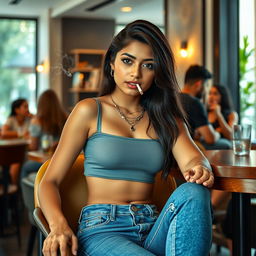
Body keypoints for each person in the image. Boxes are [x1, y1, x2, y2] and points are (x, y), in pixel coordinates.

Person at [39, 20, 214, 256]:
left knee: (195, 191)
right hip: (102, 229)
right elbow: (49, 182)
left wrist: (200, 167)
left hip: (153, 226)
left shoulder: (166, 118)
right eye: (127, 60)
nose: (136, 73)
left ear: (157, 72)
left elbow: (194, 160)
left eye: (148, 65)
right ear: (112, 63)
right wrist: (58, 225)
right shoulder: (89, 111)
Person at [180, 65, 232, 150]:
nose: (206, 91)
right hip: (187, 148)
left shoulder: (171, 99)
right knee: (226, 144)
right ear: (199, 84)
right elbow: (210, 139)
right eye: (206, 85)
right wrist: (218, 133)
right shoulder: (194, 103)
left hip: (172, 147)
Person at [20, 89, 67, 180]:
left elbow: (33, 147)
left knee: (25, 167)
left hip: (45, 162)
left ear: (41, 105)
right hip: (62, 160)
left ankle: (27, 193)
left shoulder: (37, 121)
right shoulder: (66, 117)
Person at [207, 84, 238, 209]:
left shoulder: (231, 114)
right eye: (210, 93)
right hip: (208, 153)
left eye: (215, 93)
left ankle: (211, 207)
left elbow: (231, 135)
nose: (211, 96)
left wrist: (219, 115)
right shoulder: (204, 112)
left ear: (222, 96)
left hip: (224, 157)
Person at [1, 98, 32, 184]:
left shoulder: (30, 120)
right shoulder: (11, 120)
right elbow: (3, 133)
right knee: (16, 164)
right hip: (12, 151)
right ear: (17, 110)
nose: (27, 109)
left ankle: (20, 190)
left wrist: (35, 118)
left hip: (26, 149)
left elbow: (31, 135)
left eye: (28, 106)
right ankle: (15, 192)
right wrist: (21, 134)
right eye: (25, 107)